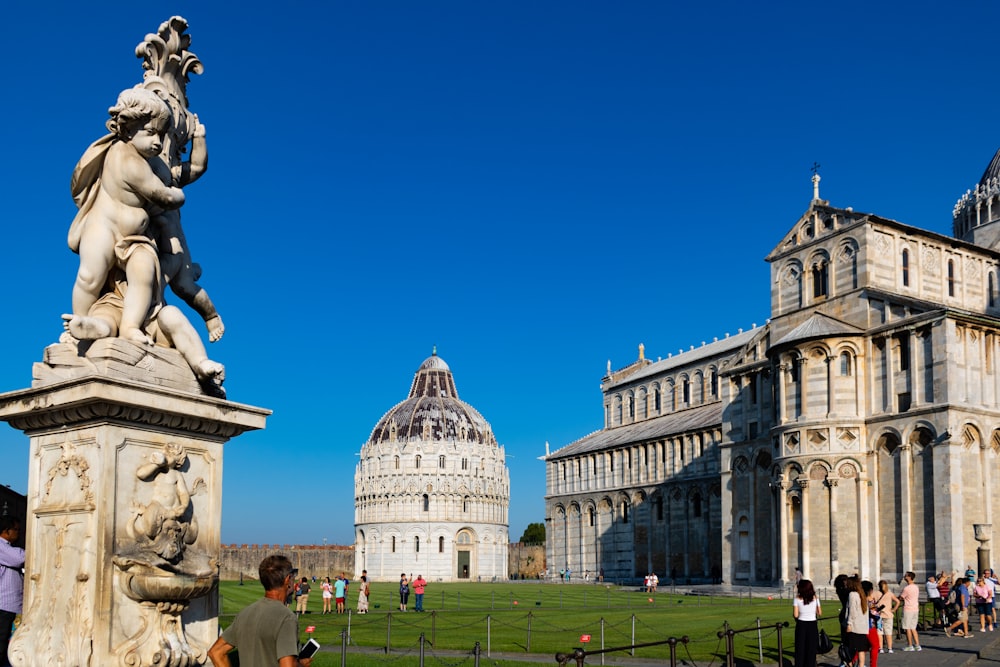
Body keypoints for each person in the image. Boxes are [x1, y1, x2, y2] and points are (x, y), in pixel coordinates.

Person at [68, 87, 185, 346]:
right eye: (151, 133)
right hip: (103, 228)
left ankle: (131, 326)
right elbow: (161, 195)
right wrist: (178, 195)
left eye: (162, 135)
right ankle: (80, 323)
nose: (158, 142)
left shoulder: (147, 160)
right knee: (90, 276)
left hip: (134, 239)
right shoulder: (126, 156)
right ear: (129, 128)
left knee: (143, 275)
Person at [207, 554, 312, 667]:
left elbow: (216, 652)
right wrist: (302, 663)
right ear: (287, 580)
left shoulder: (245, 613)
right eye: (292, 576)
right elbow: (288, 665)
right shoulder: (286, 617)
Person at [0, 517, 25, 667]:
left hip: (10, 606)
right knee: (2, 643)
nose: (19, 533)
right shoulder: (2, 547)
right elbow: (20, 558)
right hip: (4, 605)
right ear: (6, 531)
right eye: (16, 530)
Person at [792, 578, 820, 667]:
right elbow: (820, 612)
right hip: (812, 624)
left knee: (800, 649)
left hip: (801, 624)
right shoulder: (815, 598)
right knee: (811, 649)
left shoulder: (797, 599)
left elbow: (795, 615)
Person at [844, 577, 871, 667]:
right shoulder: (862, 594)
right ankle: (861, 665)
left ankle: (850, 665)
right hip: (862, 627)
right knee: (861, 649)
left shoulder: (852, 594)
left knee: (851, 649)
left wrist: (849, 623)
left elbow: (852, 611)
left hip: (855, 626)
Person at [898, 571, 921, 651]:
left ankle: (910, 645)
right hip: (915, 608)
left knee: (907, 628)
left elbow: (901, 597)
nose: (904, 576)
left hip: (908, 609)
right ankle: (917, 645)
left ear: (909, 577)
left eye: (906, 576)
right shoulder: (916, 587)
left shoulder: (907, 588)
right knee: (913, 628)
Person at [874, 580, 899, 654]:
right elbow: (898, 601)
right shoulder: (890, 593)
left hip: (879, 615)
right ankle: (890, 648)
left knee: (880, 632)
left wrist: (874, 609)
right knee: (888, 632)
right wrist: (894, 609)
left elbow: (869, 600)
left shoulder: (875, 593)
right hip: (888, 615)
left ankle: (881, 648)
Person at [861, 581, 881, 667]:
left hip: (861, 626)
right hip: (870, 626)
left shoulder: (860, 599)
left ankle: (851, 662)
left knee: (863, 647)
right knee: (875, 646)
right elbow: (875, 614)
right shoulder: (869, 600)